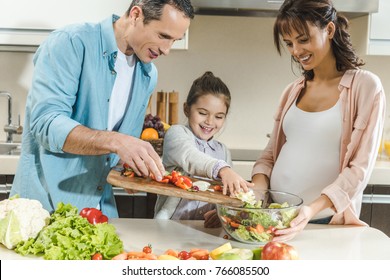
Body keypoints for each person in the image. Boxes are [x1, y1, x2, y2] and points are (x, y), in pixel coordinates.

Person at [10, 0, 195, 218]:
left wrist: (130, 170)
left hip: (100, 211)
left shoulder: (148, 74)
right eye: (163, 36)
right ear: (136, 14)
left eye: (174, 40)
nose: (167, 50)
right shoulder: (71, 43)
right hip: (44, 209)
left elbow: (118, 151)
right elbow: (46, 124)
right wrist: (117, 142)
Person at [251, 0, 386, 241]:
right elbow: (269, 157)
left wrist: (310, 209)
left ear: (330, 30)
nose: (295, 51)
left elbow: (359, 170)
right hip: (277, 219)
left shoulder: (365, 87)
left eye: (303, 39)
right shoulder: (292, 91)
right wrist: (255, 197)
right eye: (289, 43)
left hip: (325, 223)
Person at [154, 71, 254, 227]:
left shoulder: (223, 151)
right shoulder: (176, 134)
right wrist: (222, 169)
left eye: (219, 117)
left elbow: (226, 194)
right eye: (202, 113)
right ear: (187, 109)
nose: (209, 121)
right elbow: (190, 157)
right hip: (170, 226)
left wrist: (222, 211)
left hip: (205, 228)